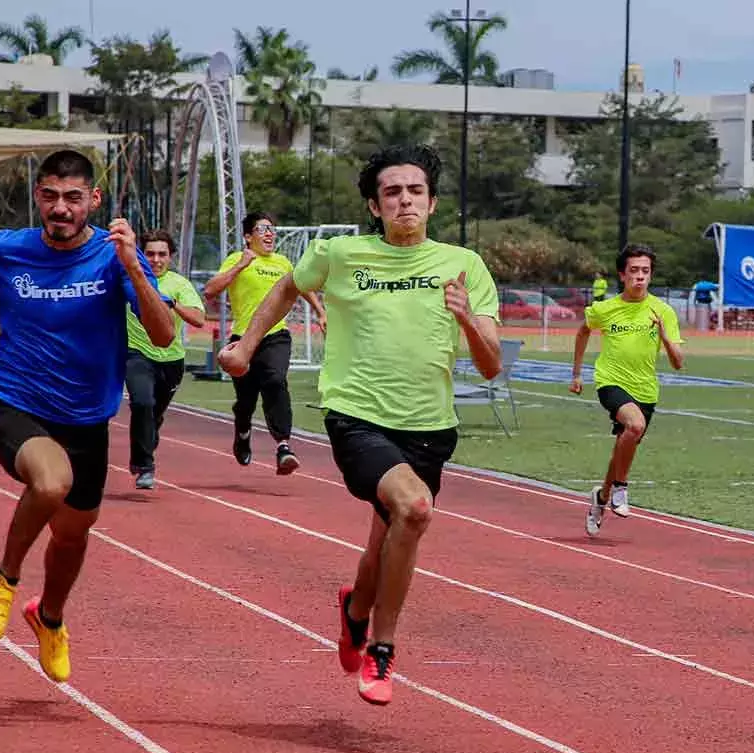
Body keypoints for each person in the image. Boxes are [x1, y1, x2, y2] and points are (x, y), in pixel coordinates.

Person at [217, 144, 501, 706]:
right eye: (392, 193)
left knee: (386, 536)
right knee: (414, 509)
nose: (404, 201)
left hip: (429, 426)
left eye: (415, 192)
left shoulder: (464, 266)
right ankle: (383, 648)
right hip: (357, 416)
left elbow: (491, 365)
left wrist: (466, 317)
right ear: (374, 205)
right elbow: (287, 288)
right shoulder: (339, 253)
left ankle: (354, 610)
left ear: (433, 202)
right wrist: (246, 346)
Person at [0, 149, 175, 683]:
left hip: (88, 417)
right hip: (18, 401)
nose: (61, 208)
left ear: (93, 200)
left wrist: (134, 267)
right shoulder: (9, 248)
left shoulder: (112, 260)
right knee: (51, 484)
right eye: (50, 196)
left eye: (73, 197)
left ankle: (49, 617)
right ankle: (4, 578)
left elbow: (162, 336)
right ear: (37, 198)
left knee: (72, 537)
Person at [569, 245, 685, 537]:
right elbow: (583, 331)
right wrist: (577, 373)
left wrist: (663, 336)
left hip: (645, 389)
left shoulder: (663, 311)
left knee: (625, 443)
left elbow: (678, 362)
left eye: (645, 271)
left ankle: (602, 497)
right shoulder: (605, 309)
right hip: (610, 381)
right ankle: (621, 488)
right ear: (622, 275)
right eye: (634, 271)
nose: (640, 277)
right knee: (635, 425)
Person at [204, 213, 326, 475]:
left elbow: (301, 285)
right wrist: (240, 266)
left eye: (272, 229)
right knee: (246, 399)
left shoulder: (282, 262)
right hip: (243, 339)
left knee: (275, 380)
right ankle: (243, 432)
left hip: (275, 336)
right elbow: (211, 290)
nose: (270, 234)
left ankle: (284, 446)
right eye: (262, 229)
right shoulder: (237, 259)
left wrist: (319, 311)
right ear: (248, 236)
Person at [126, 230, 206, 489]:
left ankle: (147, 439)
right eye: (150, 254)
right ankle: (145, 466)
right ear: (141, 255)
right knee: (142, 403)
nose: (156, 260)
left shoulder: (179, 284)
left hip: (171, 360)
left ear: (170, 257)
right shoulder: (132, 280)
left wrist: (171, 305)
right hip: (136, 352)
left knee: (153, 414)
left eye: (162, 254)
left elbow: (198, 319)